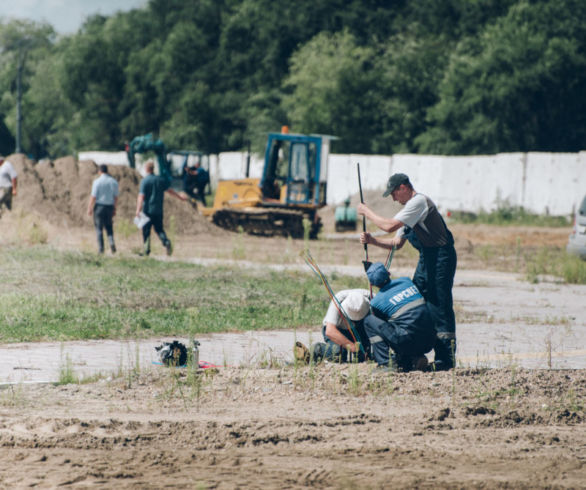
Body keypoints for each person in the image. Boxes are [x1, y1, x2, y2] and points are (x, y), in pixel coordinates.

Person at [358, 173, 457, 370]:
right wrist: (372, 241)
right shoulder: (409, 211)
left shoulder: (418, 202)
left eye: (394, 194)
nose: (394, 199)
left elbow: (388, 226)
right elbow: (397, 243)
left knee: (439, 304)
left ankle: (445, 358)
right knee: (417, 299)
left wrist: (367, 212)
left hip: (441, 257)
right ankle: (412, 352)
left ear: (404, 187)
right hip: (426, 257)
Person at [363, 262, 435, 371]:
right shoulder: (406, 281)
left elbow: (386, 330)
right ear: (388, 273)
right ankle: (415, 357)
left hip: (408, 341)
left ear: (372, 284)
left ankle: (385, 363)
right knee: (406, 325)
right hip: (430, 340)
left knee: (369, 321)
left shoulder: (376, 302)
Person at [135, 160, 187, 256]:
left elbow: (141, 196)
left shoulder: (144, 181)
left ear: (146, 169)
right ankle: (166, 242)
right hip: (158, 210)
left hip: (147, 211)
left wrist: (138, 210)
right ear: (153, 168)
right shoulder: (160, 180)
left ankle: (146, 250)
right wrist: (180, 197)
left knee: (146, 230)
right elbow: (170, 191)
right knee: (159, 229)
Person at [311, 289, 371, 363]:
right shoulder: (338, 300)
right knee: (338, 354)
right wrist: (353, 347)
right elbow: (330, 331)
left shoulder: (370, 296)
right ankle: (319, 349)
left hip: (359, 328)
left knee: (364, 355)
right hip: (338, 330)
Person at [87, 164, 119, 254]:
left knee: (99, 228)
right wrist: (114, 208)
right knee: (109, 227)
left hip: (99, 207)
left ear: (99, 171)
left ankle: (101, 249)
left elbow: (93, 196)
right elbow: (116, 197)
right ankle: (112, 243)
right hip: (109, 207)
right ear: (107, 171)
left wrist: (90, 207)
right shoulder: (113, 182)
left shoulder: (97, 182)